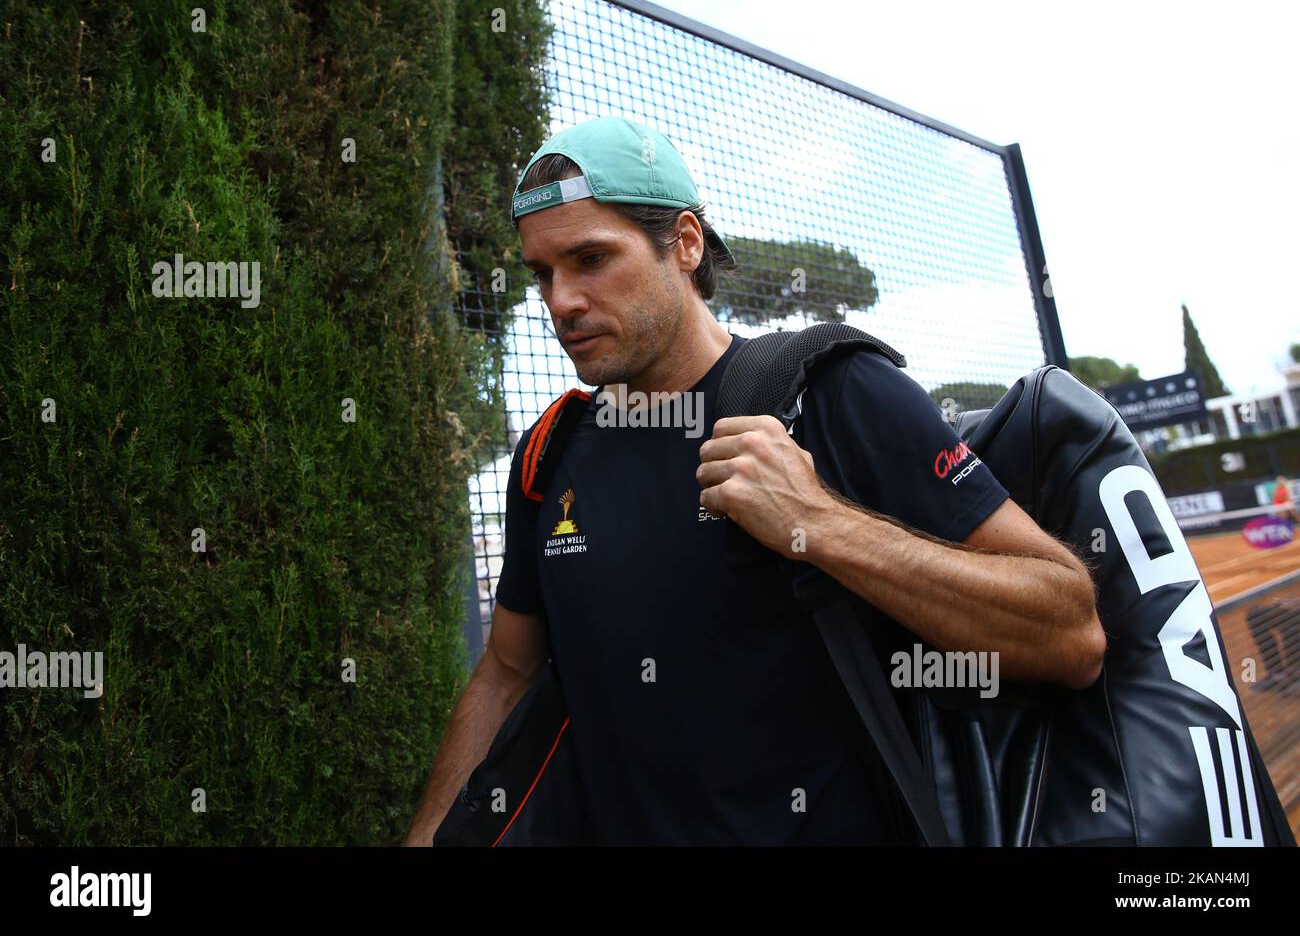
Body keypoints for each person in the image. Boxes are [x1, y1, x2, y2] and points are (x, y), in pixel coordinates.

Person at [403, 116, 1105, 846]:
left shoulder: (834, 394)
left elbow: (1071, 632)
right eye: (542, 273)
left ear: (685, 242)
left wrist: (823, 523)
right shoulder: (550, 455)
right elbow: (507, 672)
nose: (561, 301)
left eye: (590, 259)